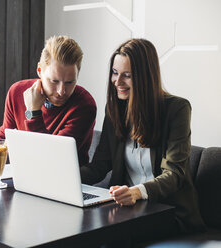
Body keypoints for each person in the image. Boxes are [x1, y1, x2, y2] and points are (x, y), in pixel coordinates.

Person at [80, 39, 205, 235]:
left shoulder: (177, 109)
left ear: (145, 77)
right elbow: (100, 166)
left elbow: (174, 173)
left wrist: (137, 192)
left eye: (127, 76)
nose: (117, 82)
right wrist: (62, 179)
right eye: (115, 73)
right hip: (128, 213)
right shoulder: (115, 110)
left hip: (169, 213)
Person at [0, 35, 96, 167]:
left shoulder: (85, 105)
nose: (61, 91)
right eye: (54, 81)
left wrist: (33, 112)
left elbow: (50, 158)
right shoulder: (16, 92)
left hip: (65, 181)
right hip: (24, 176)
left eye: (69, 82)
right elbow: (6, 133)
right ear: (40, 70)